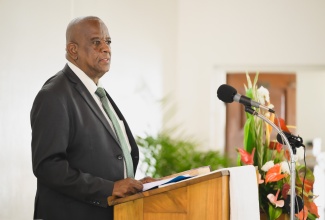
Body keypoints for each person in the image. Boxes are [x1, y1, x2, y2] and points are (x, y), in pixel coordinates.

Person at [30, 16, 154, 220]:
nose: (106, 48)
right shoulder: (54, 95)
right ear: (73, 50)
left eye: (108, 41)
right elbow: (48, 167)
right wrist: (109, 188)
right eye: (96, 42)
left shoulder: (97, 93)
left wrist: (133, 184)